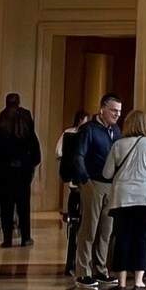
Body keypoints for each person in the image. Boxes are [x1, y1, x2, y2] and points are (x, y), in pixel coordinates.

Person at [103, 110, 146, 290]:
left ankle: (121, 282)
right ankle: (138, 281)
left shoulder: (118, 145)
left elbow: (107, 173)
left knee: (122, 239)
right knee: (142, 239)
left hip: (123, 197)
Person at [72, 92, 122, 290]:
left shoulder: (116, 130)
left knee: (106, 230)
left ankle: (101, 269)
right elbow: (78, 155)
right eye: (113, 110)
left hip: (111, 185)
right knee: (89, 229)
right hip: (93, 182)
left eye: (119, 111)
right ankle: (83, 271)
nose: (117, 114)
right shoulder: (89, 129)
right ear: (103, 109)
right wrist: (85, 180)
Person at [0, 96, 41, 247]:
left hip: (3, 171)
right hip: (23, 170)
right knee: (23, 206)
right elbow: (35, 147)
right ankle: (25, 238)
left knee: (6, 207)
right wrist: (32, 164)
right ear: (19, 102)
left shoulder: (3, 118)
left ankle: (7, 239)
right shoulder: (26, 118)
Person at [57, 109, 88, 275]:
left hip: (75, 185)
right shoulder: (77, 136)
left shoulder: (69, 135)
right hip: (83, 186)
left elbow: (59, 153)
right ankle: (77, 264)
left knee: (75, 225)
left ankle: (72, 264)